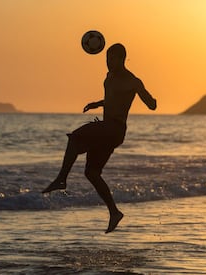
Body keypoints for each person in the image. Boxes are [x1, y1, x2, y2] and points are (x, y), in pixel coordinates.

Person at [42, 43, 157, 233]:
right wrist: (98, 103)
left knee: (75, 138)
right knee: (92, 172)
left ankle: (61, 179)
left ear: (121, 59)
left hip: (114, 129)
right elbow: (113, 98)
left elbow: (151, 105)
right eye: (106, 59)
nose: (108, 63)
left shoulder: (132, 81)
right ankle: (114, 212)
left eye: (112, 59)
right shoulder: (109, 76)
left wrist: (150, 99)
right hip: (106, 130)